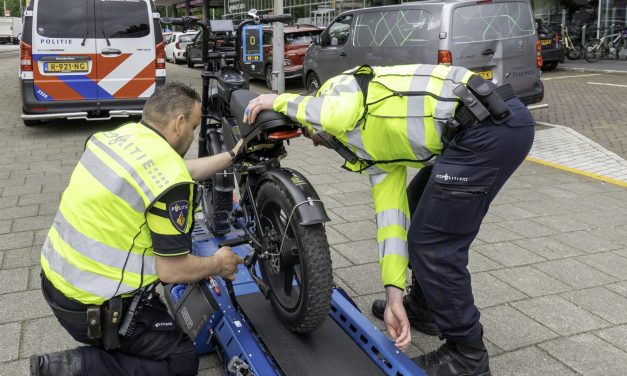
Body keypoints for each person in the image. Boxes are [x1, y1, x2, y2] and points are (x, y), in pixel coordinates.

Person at [244, 64, 535, 376]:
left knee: (434, 245)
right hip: (477, 129)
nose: (316, 142)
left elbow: (331, 113)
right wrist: (392, 294)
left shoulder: (338, 92)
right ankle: (423, 307)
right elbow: (392, 220)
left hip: (487, 127)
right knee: (412, 209)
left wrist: (277, 101)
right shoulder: (371, 151)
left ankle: (468, 355)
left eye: (311, 134)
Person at [31, 83, 244, 376]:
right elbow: (172, 271)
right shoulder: (169, 178)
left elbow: (178, 170)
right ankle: (73, 367)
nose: (193, 136)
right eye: (194, 128)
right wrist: (219, 263)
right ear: (179, 124)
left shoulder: (115, 137)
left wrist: (231, 156)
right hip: (91, 309)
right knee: (182, 360)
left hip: (55, 281)